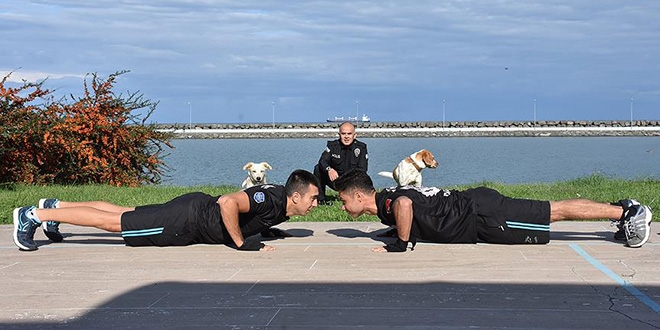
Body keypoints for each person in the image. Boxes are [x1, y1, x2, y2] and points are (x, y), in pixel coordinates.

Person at [333, 170, 653, 252]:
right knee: (549, 214)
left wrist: (400, 244)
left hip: (483, 215)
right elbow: (408, 208)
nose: (345, 207)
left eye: (346, 201)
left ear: (360, 196)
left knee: (551, 212)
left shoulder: (390, 202)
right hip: (478, 209)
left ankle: (625, 214)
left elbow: (405, 206)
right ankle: (619, 210)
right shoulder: (387, 199)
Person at [12, 169, 319, 252]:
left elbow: (253, 214)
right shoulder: (272, 200)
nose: (316, 203)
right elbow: (228, 202)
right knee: (115, 223)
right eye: (313, 198)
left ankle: (57, 207)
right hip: (185, 220)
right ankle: (33, 215)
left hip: (192, 208)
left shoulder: (279, 202)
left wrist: (267, 230)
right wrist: (240, 242)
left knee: (124, 210)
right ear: (295, 197)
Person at [313, 121, 368, 204]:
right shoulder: (333, 146)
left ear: (355, 135)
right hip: (335, 180)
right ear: (339, 135)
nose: (346, 136)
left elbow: (363, 170)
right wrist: (329, 169)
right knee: (318, 168)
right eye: (343, 134)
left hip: (351, 182)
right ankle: (321, 200)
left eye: (349, 134)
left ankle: (355, 197)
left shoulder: (361, 148)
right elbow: (322, 161)